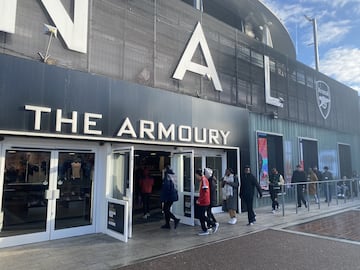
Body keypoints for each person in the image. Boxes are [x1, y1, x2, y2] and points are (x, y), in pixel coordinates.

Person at [195, 169, 219, 236]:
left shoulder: (204, 180)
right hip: (203, 201)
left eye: (196, 175)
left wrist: (200, 200)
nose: (196, 177)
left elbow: (205, 192)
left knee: (202, 215)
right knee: (201, 215)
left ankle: (213, 224)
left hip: (204, 201)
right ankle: (205, 229)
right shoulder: (203, 180)